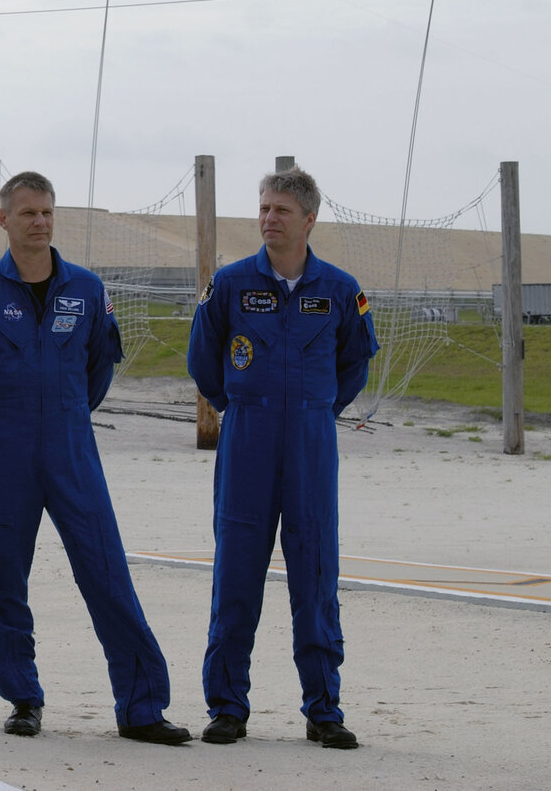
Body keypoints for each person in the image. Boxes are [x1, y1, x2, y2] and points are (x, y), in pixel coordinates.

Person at [0, 170, 189, 745]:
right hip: (3, 447)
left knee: (106, 571)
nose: (40, 222)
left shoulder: (86, 288)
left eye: (47, 212)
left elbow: (102, 362)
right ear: (4, 220)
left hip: (72, 446)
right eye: (28, 213)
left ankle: (142, 707)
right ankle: (23, 698)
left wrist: (69, 410)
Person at [186, 165, 379, 751]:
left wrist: (315, 409)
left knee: (316, 575)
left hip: (311, 441)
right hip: (248, 436)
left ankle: (324, 710)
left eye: (282, 211)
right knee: (237, 574)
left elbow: (354, 367)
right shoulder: (230, 283)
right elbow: (203, 359)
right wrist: (242, 407)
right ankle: (227, 707)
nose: (269, 219)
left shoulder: (342, 290)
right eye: (265, 208)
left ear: (309, 219)